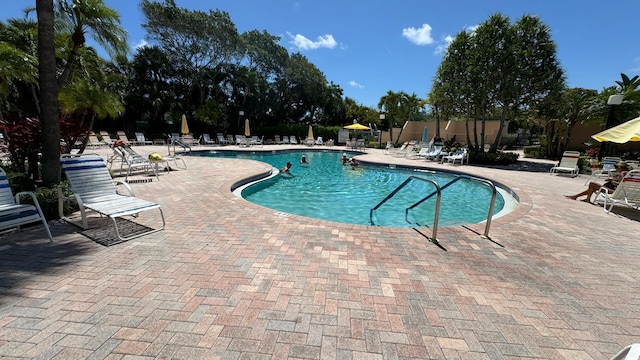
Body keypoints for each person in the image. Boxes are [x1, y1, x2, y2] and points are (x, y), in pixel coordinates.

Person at [565, 161, 631, 203]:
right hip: (623, 192)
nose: (616, 169)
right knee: (593, 187)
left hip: (616, 192)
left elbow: (623, 184)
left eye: (616, 168)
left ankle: (582, 198)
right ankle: (578, 197)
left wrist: (613, 181)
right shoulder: (629, 173)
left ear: (620, 167)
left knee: (592, 184)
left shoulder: (623, 173)